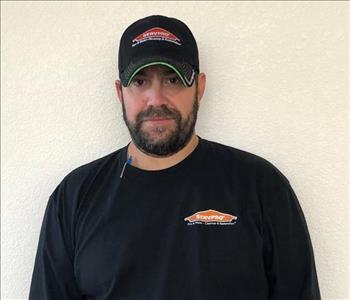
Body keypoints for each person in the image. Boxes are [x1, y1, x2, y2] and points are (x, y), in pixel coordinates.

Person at [29, 15, 321, 300]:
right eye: (140, 81)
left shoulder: (262, 187)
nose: (156, 99)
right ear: (120, 92)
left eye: (172, 79)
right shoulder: (74, 197)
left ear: (200, 87)